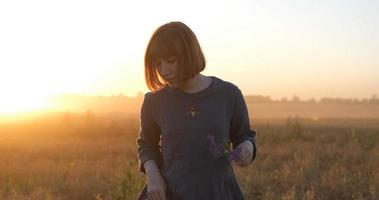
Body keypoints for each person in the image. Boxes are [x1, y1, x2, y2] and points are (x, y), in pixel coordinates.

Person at [136, 21, 257, 200]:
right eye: (158, 63)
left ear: (189, 54)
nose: (164, 70)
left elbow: (245, 136)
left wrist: (247, 147)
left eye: (171, 61)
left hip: (218, 193)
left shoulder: (228, 94)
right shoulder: (154, 101)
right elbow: (146, 145)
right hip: (171, 193)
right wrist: (153, 176)